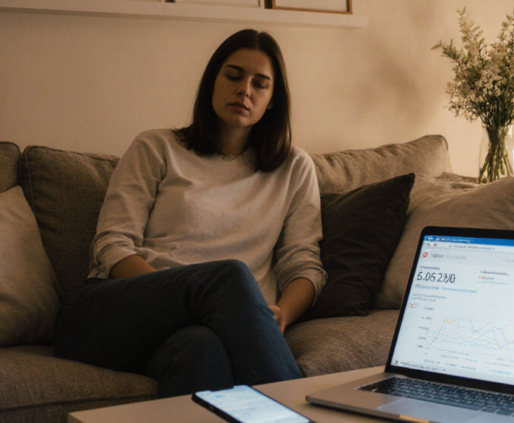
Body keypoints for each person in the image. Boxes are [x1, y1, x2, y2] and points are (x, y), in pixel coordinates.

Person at [53, 29, 327, 398]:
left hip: (206, 328)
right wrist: (177, 297)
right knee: (228, 276)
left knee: (202, 349)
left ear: (273, 100)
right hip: (111, 312)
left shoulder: (294, 168)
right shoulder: (156, 147)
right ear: (211, 81)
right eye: (233, 76)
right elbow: (112, 246)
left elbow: (304, 264)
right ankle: (303, 422)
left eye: (260, 84)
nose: (244, 89)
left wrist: (279, 315)